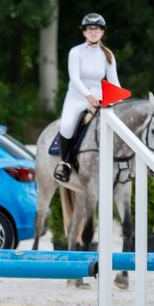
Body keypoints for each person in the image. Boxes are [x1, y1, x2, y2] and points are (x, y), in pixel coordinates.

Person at [53, 12, 121, 183]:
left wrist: (118, 99)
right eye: (89, 29)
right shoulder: (75, 52)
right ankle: (65, 163)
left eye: (96, 29)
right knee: (67, 125)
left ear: (102, 32)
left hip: (100, 97)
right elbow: (74, 78)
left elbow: (114, 82)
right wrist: (88, 96)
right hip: (77, 96)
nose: (93, 32)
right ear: (84, 32)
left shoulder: (108, 55)